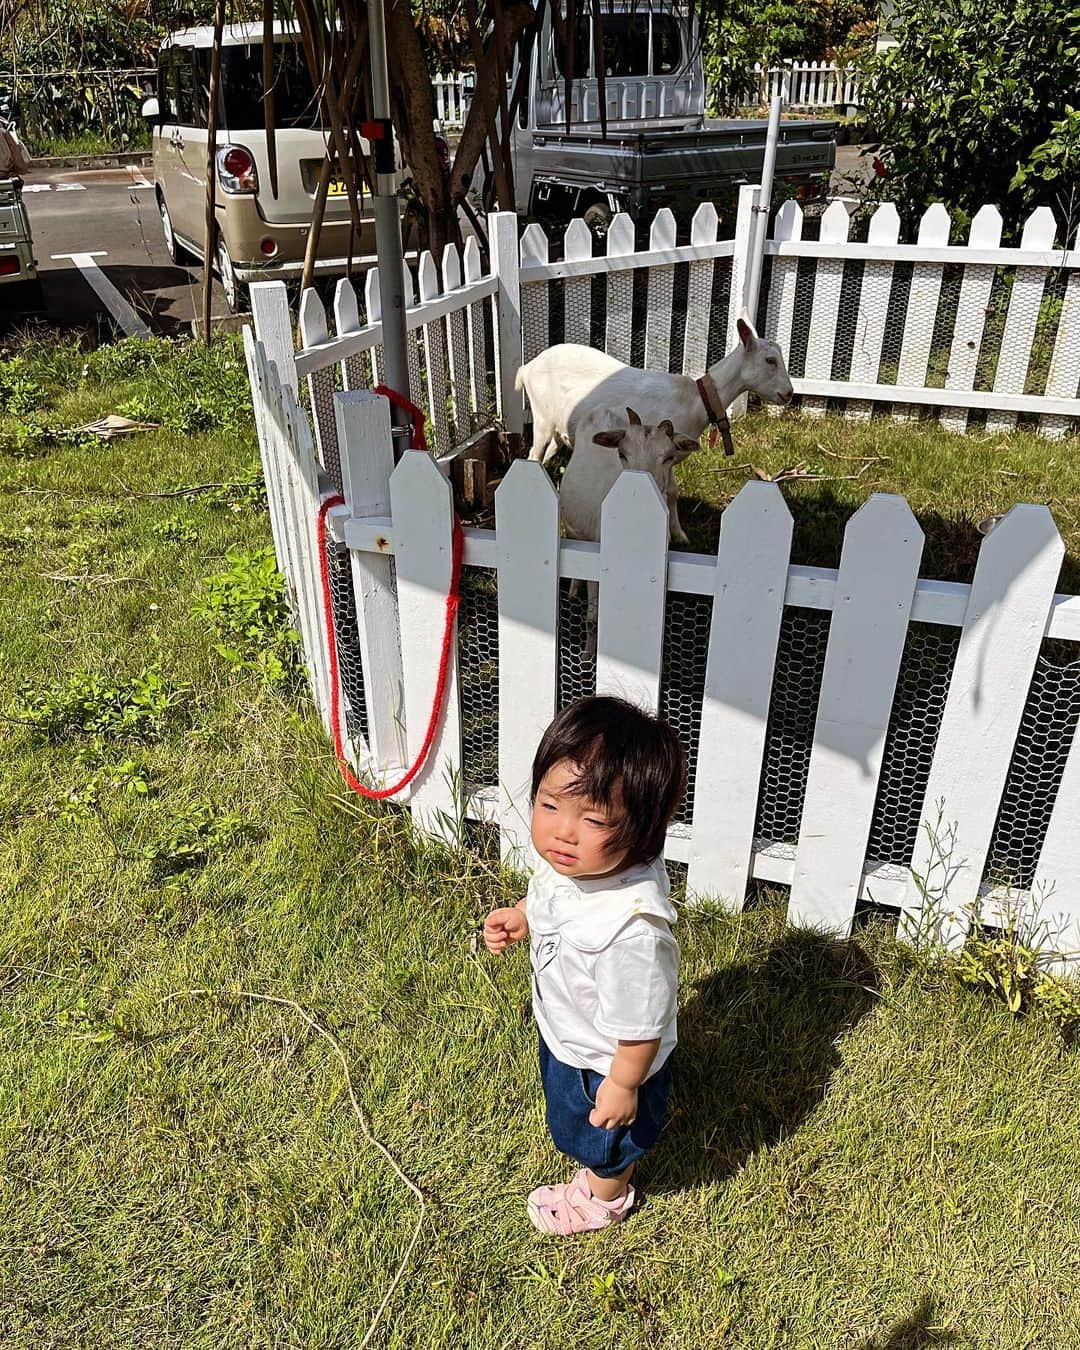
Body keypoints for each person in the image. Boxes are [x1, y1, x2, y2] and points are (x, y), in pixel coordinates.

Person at [484, 695, 685, 1235]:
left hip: (603, 1060)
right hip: (570, 1032)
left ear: (642, 830)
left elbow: (642, 1028)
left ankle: (605, 1196)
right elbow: (552, 895)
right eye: (550, 806)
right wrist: (525, 916)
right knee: (583, 1120)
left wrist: (622, 1085)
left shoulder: (632, 934)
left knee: (601, 1138)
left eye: (593, 818)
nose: (563, 832)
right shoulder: (576, 865)